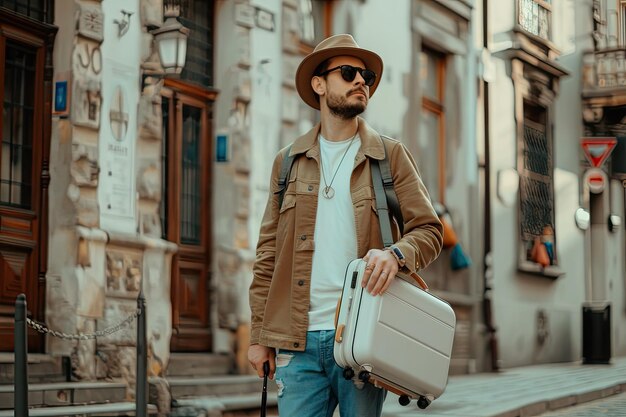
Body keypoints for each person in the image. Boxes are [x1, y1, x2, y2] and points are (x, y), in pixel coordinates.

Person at [248, 34, 443, 417]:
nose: (361, 82)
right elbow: (268, 253)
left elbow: (430, 230)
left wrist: (396, 255)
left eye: (366, 76)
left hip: (360, 337)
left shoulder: (389, 157)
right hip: (296, 341)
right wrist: (259, 337)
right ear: (319, 85)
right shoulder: (287, 162)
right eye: (348, 73)